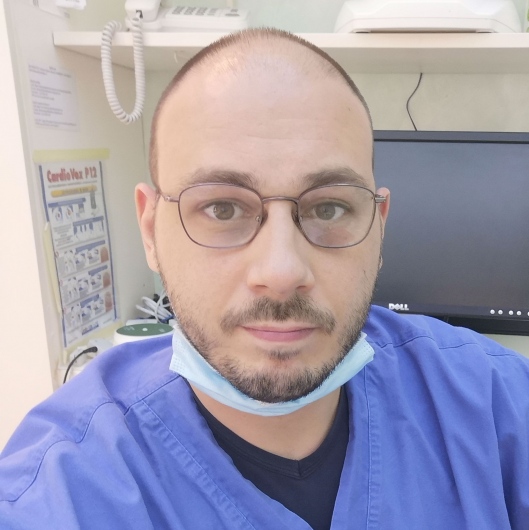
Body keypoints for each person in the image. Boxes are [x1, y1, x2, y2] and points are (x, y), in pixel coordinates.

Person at [1, 28, 529, 530]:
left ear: (378, 225)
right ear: (150, 229)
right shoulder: (60, 490)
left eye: (329, 207)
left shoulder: (496, 406)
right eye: (223, 208)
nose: (281, 273)